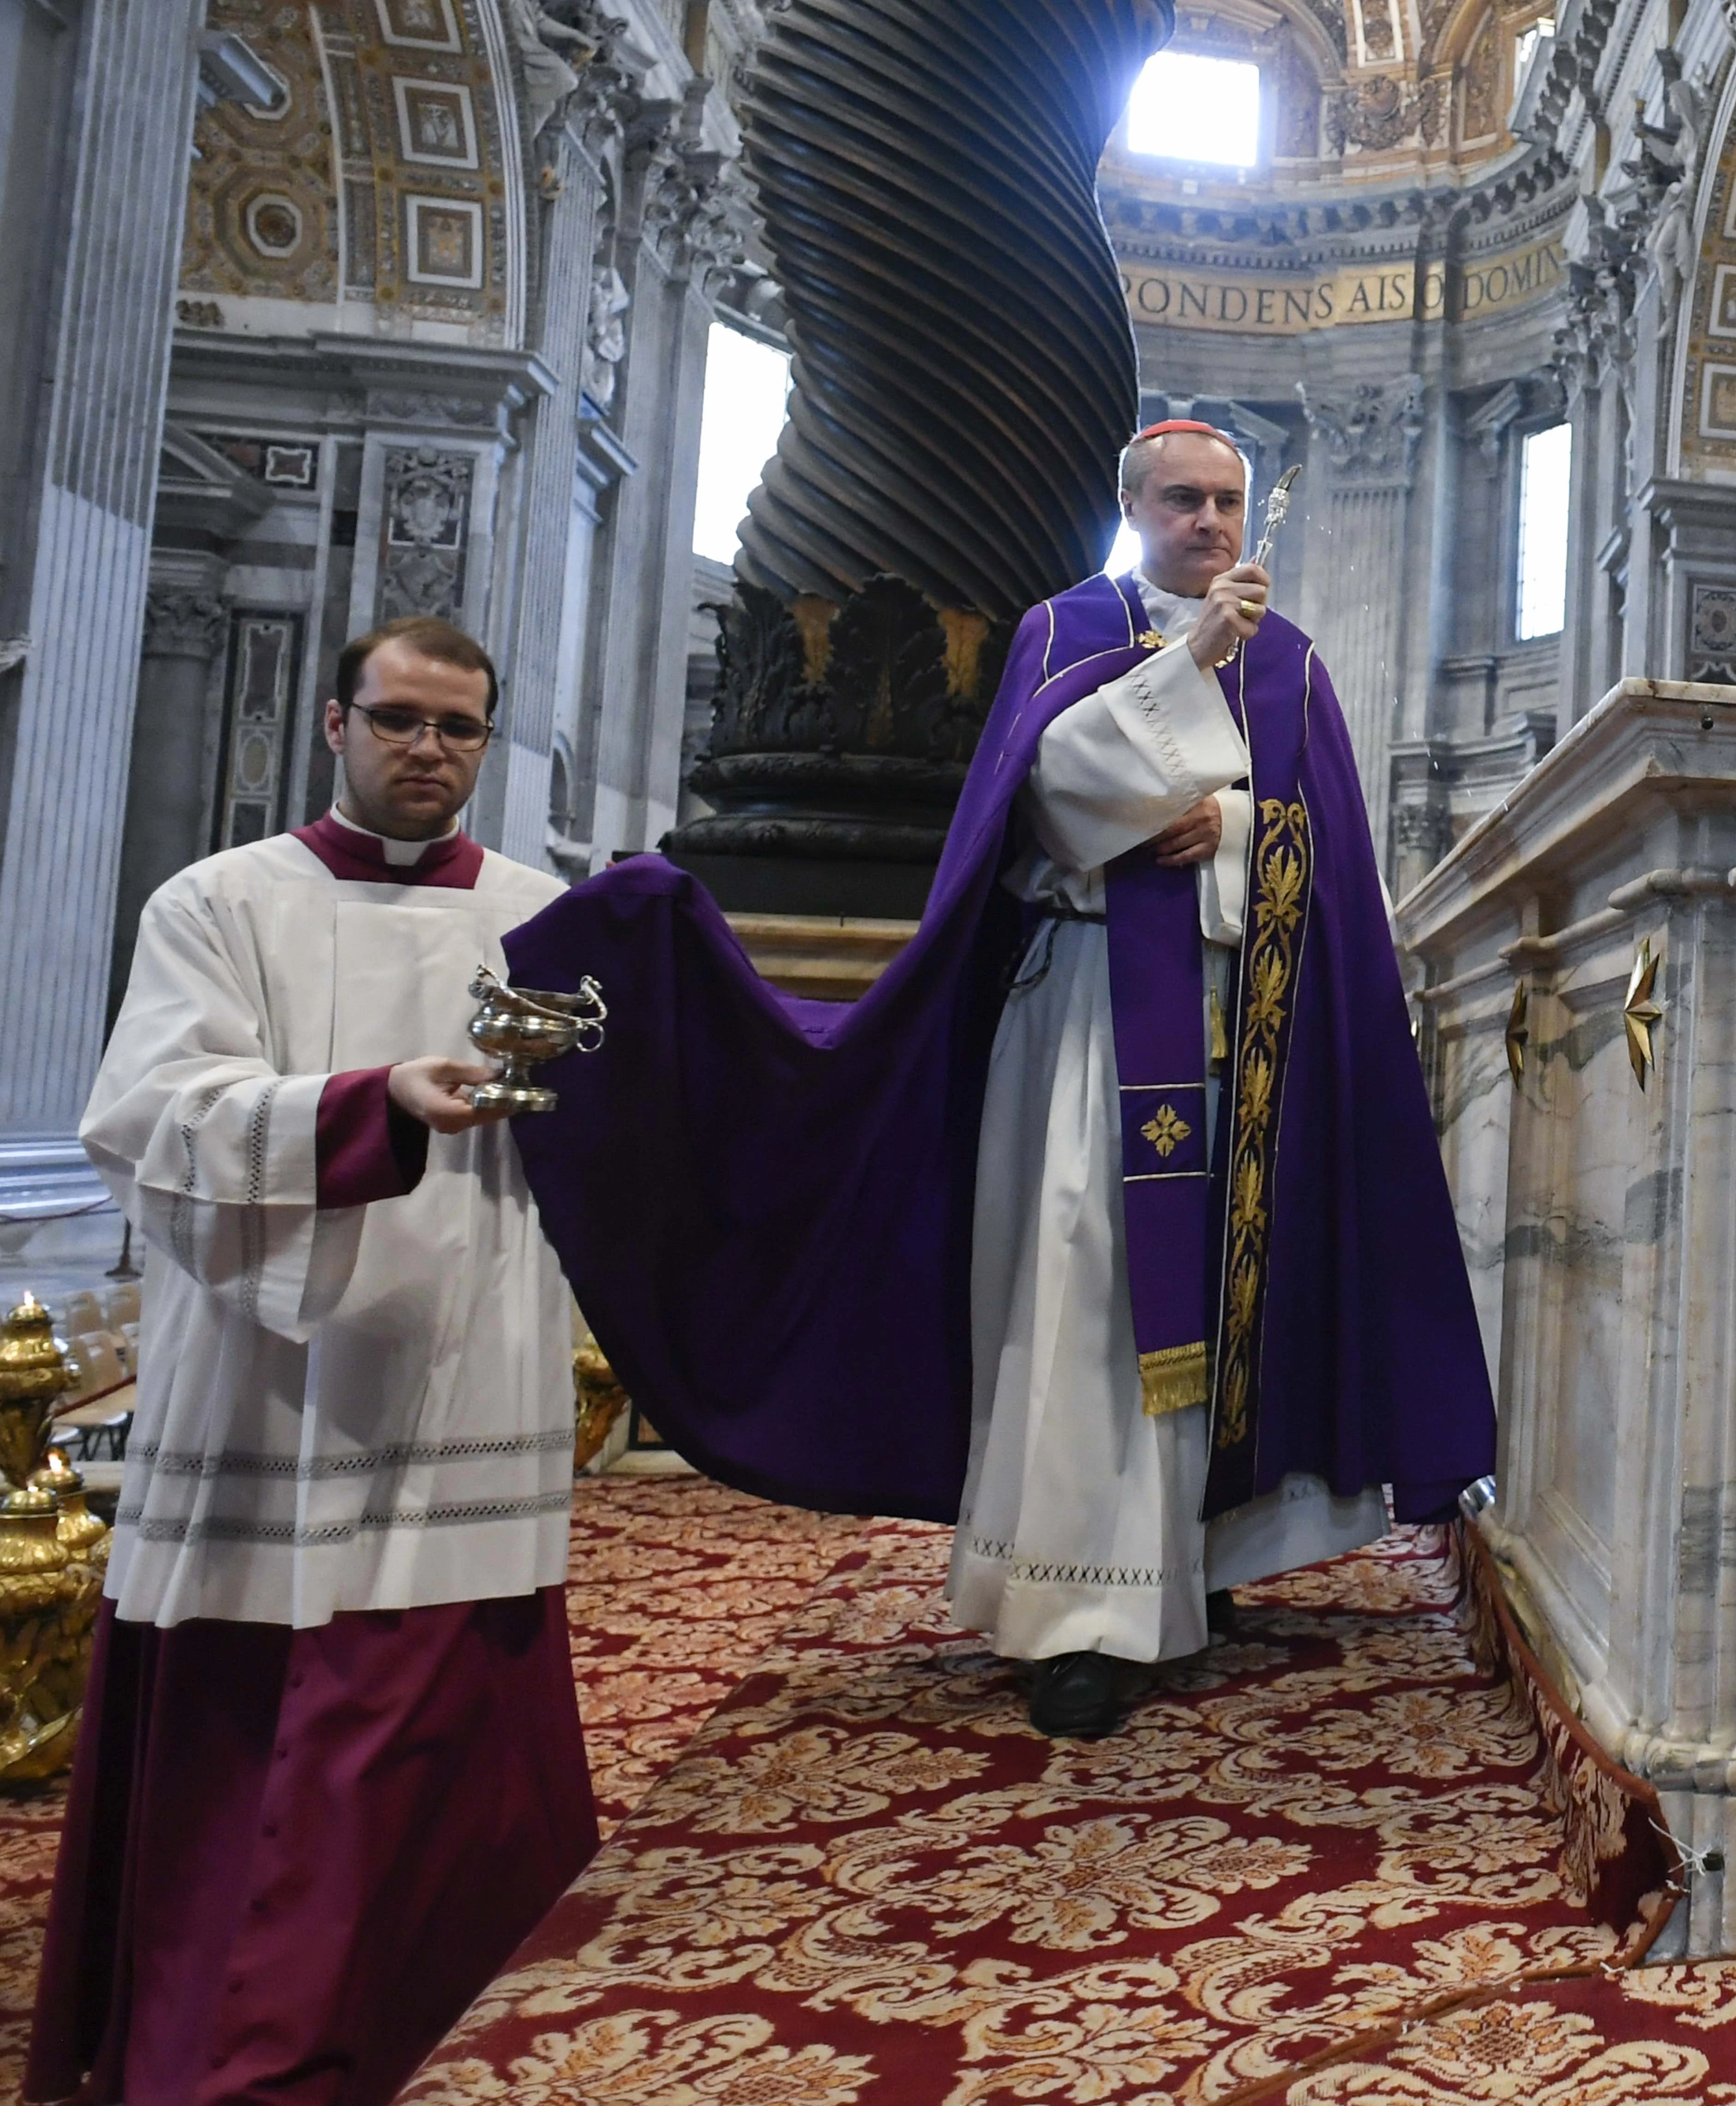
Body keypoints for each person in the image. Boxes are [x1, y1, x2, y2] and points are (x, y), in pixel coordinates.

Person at [503, 420, 1494, 1738]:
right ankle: (1078, 1608)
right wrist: (1188, 673)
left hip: (1222, 1030)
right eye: (1182, 501)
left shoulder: (1294, 664)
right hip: (1083, 1008)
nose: (1208, 523)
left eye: (1227, 502)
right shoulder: (1060, 629)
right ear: (1131, 508)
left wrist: (1226, 836)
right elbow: (1045, 798)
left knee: (1210, 1297)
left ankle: (1192, 1564)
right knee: (1080, 1289)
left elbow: (1318, 854)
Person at [26, 617, 593, 2106]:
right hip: (267, 1365)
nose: (429, 749)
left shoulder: (544, 923)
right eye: (400, 718)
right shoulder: (219, 902)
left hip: (469, 1344)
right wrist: (372, 1100)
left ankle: (436, 2027)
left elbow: (607, 1124)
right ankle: (248, 2075)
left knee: (429, 1704)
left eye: (460, 728)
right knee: (269, 1712)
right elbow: (148, 1113)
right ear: (335, 720)